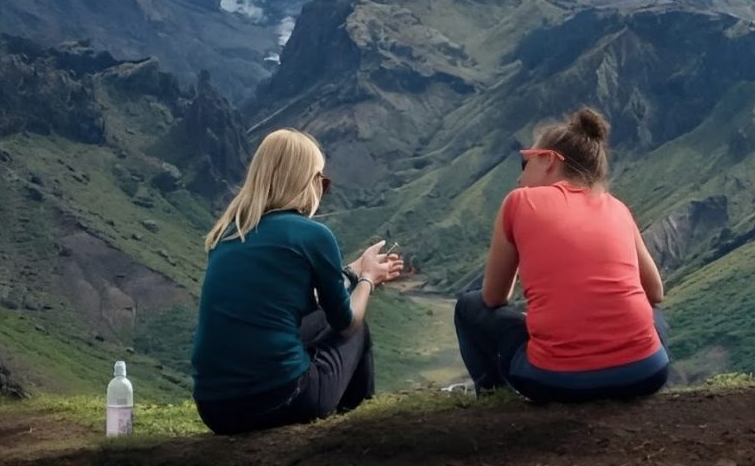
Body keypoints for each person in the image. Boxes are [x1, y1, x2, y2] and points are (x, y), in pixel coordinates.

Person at [191, 128, 402, 434]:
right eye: (322, 181)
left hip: (215, 410)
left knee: (314, 320)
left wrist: (353, 271)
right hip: (283, 398)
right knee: (358, 332)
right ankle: (357, 433)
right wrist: (368, 278)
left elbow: (287, 302)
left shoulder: (227, 235)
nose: (322, 189)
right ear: (306, 181)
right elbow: (346, 322)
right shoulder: (313, 235)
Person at [454, 107, 668, 403]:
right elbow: (655, 292)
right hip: (646, 375)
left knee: (468, 305)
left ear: (549, 160)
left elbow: (493, 298)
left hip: (555, 382)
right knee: (652, 314)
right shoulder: (617, 207)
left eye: (524, 163)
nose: (519, 179)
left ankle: (494, 398)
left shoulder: (519, 201)